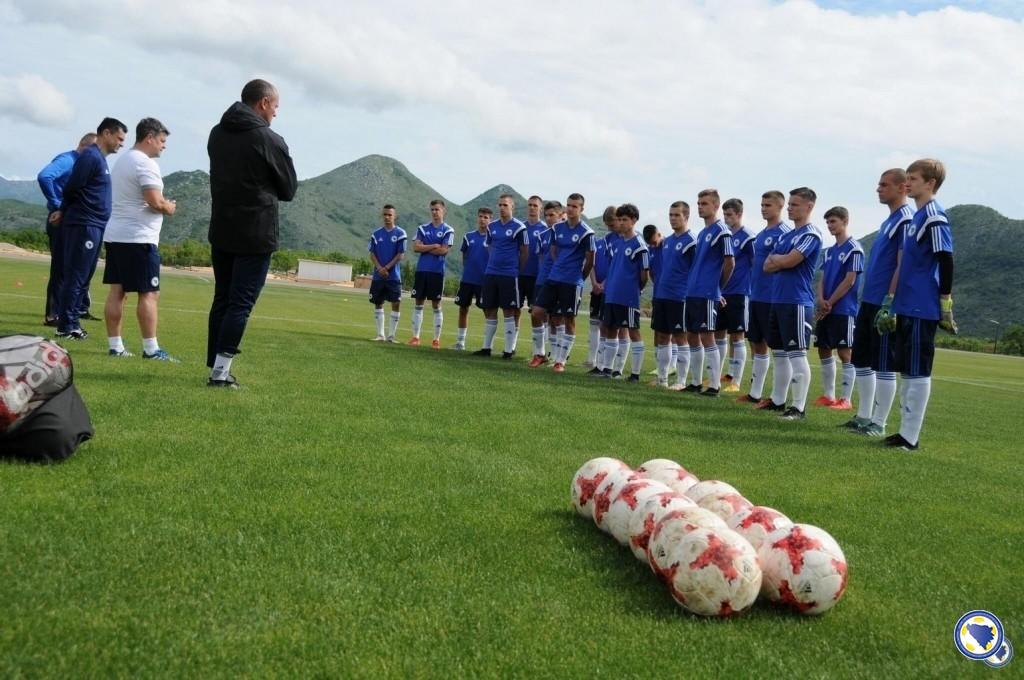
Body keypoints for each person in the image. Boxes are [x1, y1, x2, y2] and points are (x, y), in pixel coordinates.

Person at [206, 79, 298, 388]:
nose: (276, 113)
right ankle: (220, 372)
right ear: (263, 103)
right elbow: (288, 189)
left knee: (223, 297)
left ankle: (214, 365)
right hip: (255, 231)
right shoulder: (268, 139)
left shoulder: (216, 133)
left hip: (221, 227)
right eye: (275, 106)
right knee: (241, 302)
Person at [879, 159, 955, 451]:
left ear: (930, 184)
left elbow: (945, 258)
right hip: (907, 303)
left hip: (923, 304)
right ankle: (904, 432)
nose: (907, 182)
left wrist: (945, 300)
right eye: (907, 177)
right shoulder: (918, 217)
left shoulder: (935, 216)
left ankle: (910, 438)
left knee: (918, 370)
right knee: (908, 370)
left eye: (913, 178)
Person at [102, 117, 179, 361]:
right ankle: (151, 349)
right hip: (139, 238)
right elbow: (154, 201)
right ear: (149, 138)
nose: (164, 146)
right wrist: (169, 207)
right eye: (162, 141)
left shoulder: (122, 160)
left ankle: (115, 346)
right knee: (149, 292)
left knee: (118, 290)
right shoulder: (145, 164)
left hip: (116, 235)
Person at [846, 169, 913, 436]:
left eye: (884, 185)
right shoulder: (889, 221)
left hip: (884, 302)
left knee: (884, 363)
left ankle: (879, 423)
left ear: (902, 188)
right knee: (861, 360)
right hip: (869, 300)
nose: (878, 189)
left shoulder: (905, 220)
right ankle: (863, 416)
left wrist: (891, 299)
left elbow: (902, 262)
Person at [51, 118, 128, 341]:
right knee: (76, 275)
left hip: (94, 224)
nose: (121, 143)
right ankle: (66, 325)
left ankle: (73, 322)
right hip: (84, 224)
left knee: (84, 277)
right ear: (106, 133)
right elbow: (72, 187)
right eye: (119, 138)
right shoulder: (90, 157)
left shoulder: (100, 160)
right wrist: (64, 210)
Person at [762, 187, 823, 420]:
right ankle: (778, 401)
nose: (789, 208)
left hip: (796, 302)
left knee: (796, 354)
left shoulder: (811, 234)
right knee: (779, 353)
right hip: (777, 300)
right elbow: (767, 266)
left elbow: (790, 260)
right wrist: (781, 260)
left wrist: (780, 260)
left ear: (809, 206)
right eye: (789, 204)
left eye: (795, 204)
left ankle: (798, 407)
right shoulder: (785, 236)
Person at [37, 133, 97, 326]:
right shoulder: (67, 160)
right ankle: (53, 315)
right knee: (60, 269)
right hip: (60, 220)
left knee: (76, 268)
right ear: (83, 145)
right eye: (94, 149)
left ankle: (76, 309)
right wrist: (56, 204)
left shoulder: (82, 165)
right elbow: (45, 176)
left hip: (74, 221)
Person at [534, 193, 595, 372]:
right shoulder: (557, 229)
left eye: (575, 206)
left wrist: (579, 278)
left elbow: (590, 261)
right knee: (537, 312)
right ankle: (540, 354)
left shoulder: (587, 233)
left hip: (572, 282)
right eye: (568, 205)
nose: (570, 208)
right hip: (553, 278)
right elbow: (553, 251)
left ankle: (561, 360)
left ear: (581, 209)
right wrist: (560, 266)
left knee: (568, 320)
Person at [741, 192, 791, 405]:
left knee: (777, 348)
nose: (763, 208)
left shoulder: (785, 233)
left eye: (768, 205)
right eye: (761, 204)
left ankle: (778, 398)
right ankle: (755, 393)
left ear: (780, 207)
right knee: (756, 343)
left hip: (774, 298)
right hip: (756, 295)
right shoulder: (760, 235)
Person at [683, 189, 734, 396]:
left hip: (706, 293)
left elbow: (730, 263)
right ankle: (695, 382)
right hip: (693, 291)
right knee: (692, 336)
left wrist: (717, 288)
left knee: (707, 337)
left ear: (715, 206)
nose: (700, 207)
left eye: (704, 203)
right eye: (698, 203)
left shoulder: (723, 231)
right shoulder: (703, 233)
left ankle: (714, 386)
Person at [813, 206, 863, 410]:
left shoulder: (854, 249)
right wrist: (821, 299)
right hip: (826, 308)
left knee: (845, 352)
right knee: (824, 349)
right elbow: (822, 279)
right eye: (828, 222)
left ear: (845, 221)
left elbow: (850, 281)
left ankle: (846, 399)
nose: (830, 226)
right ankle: (829, 395)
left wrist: (830, 302)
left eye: (833, 221)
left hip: (844, 309)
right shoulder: (829, 251)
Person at [599, 204, 649, 381]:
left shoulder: (640, 245)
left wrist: (634, 289)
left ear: (634, 221)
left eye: (624, 219)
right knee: (610, 329)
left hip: (628, 297)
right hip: (612, 294)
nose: (621, 222)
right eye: (619, 219)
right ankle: (608, 369)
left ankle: (634, 373)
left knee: (633, 331)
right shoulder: (617, 242)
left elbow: (644, 275)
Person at [474, 194, 528, 358]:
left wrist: (517, 268)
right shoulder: (492, 226)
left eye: (505, 205)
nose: (502, 208)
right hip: (491, 273)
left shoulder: (519, 227)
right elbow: (489, 246)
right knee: (489, 309)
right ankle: (486, 348)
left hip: (509, 274)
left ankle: (508, 350)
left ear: (512, 206)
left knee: (509, 311)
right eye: (500, 205)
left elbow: (525, 251)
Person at [651, 201, 696, 389]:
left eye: (677, 215)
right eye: (670, 215)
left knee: (680, 338)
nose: (673, 218)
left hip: (680, 297)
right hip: (662, 295)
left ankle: (681, 381)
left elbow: (696, 270)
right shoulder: (667, 242)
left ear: (686, 216)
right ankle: (662, 378)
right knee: (662, 337)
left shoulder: (692, 241)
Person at [718, 198, 755, 393]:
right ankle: (727, 373)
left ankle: (736, 380)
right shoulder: (725, 236)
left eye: (730, 215)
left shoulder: (748, 237)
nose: (726, 218)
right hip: (722, 291)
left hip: (740, 292)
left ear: (739, 214)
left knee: (738, 336)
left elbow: (756, 264)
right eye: (724, 215)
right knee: (720, 334)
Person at [408, 200, 454, 348]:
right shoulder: (422, 228)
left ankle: (436, 339)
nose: (435, 212)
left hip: (436, 272)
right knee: (418, 302)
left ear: (443, 211)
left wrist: (425, 248)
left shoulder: (448, 230)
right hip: (422, 270)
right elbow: (415, 248)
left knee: (436, 304)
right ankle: (415, 337)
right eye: (432, 209)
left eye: (437, 209)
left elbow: (444, 250)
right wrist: (433, 245)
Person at [526, 201, 560, 366]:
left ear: (560, 215)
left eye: (552, 215)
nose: (548, 218)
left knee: (556, 319)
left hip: (560, 281)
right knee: (536, 314)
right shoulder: (542, 235)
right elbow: (541, 259)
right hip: (542, 281)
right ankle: (539, 353)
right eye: (546, 215)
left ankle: (556, 356)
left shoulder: (565, 235)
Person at [453, 208, 492, 350]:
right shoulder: (468, 237)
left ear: (490, 220)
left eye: (486, 217)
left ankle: (487, 345)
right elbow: (464, 257)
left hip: (484, 282)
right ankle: (460, 342)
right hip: (467, 280)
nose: (482, 219)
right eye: (480, 216)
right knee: (463, 309)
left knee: (487, 312)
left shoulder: (492, 237)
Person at [367, 205, 406, 342]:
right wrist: (379, 268)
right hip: (379, 275)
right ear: (381, 215)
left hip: (393, 276)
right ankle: (380, 334)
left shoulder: (400, 233)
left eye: (390, 215)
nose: (387, 217)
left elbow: (400, 254)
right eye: (385, 214)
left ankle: (391, 336)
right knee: (378, 302)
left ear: (395, 216)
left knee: (396, 303)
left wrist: (387, 268)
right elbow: (372, 254)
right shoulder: (376, 234)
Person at [587, 206, 617, 374]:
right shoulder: (601, 241)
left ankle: (613, 367)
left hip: (611, 290)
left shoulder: (621, 241)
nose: (609, 228)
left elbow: (616, 266)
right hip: (597, 289)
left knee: (612, 327)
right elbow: (591, 263)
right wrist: (594, 283)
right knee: (599, 325)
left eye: (612, 224)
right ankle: (598, 363)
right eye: (607, 224)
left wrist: (604, 283)